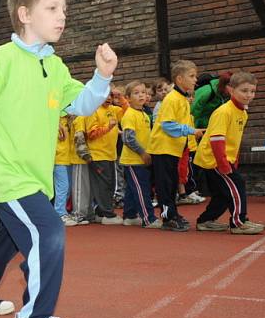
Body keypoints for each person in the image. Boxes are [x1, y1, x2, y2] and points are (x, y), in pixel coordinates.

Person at [0, 0, 117, 318]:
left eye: (64, 8)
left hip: (35, 176)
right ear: (26, 14)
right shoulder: (1, 60)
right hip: (6, 173)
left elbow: (79, 104)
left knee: (11, 238)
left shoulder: (55, 65)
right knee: (48, 232)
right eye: (52, 8)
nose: (62, 16)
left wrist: (102, 76)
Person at [194, 72, 265, 234]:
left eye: (252, 91)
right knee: (237, 184)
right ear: (231, 90)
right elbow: (216, 140)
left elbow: (234, 138)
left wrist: (235, 158)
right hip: (213, 159)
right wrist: (223, 163)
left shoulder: (243, 112)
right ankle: (239, 222)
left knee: (222, 193)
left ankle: (205, 221)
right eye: (244, 91)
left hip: (224, 158)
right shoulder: (223, 112)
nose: (249, 95)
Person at [148, 60, 204, 232]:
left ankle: (173, 213)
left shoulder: (182, 98)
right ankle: (167, 217)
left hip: (173, 149)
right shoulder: (173, 99)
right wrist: (191, 131)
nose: (196, 80)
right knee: (165, 185)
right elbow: (167, 125)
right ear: (179, 79)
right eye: (192, 76)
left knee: (172, 184)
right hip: (162, 148)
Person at [119, 81, 160, 228]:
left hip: (142, 159)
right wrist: (143, 153)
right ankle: (148, 218)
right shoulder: (130, 115)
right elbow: (128, 138)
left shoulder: (144, 114)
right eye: (136, 93)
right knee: (142, 189)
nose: (141, 95)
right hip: (134, 160)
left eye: (143, 92)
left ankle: (129, 216)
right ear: (128, 98)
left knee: (132, 188)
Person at [86, 94, 125, 224]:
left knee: (110, 185)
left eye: (110, 95)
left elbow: (128, 112)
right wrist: (108, 127)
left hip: (110, 155)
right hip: (98, 155)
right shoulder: (93, 111)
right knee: (103, 186)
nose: (108, 98)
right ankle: (108, 214)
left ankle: (100, 213)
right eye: (104, 95)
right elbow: (91, 134)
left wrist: (121, 98)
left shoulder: (113, 109)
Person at [64, 115, 93, 226]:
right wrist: (85, 155)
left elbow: (79, 137)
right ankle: (82, 213)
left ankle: (82, 214)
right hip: (80, 158)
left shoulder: (81, 117)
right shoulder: (81, 117)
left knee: (82, 188)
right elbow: (79, 137)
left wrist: (85, 155)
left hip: (81, 158)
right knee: (82, 188)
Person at [52, 116, 71, 221]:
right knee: (63, 187)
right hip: (58, 159)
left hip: (67, 158)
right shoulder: (54, 118)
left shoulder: (67, 119)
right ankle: (60, 213)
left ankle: (61, 211)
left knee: (66, 188)